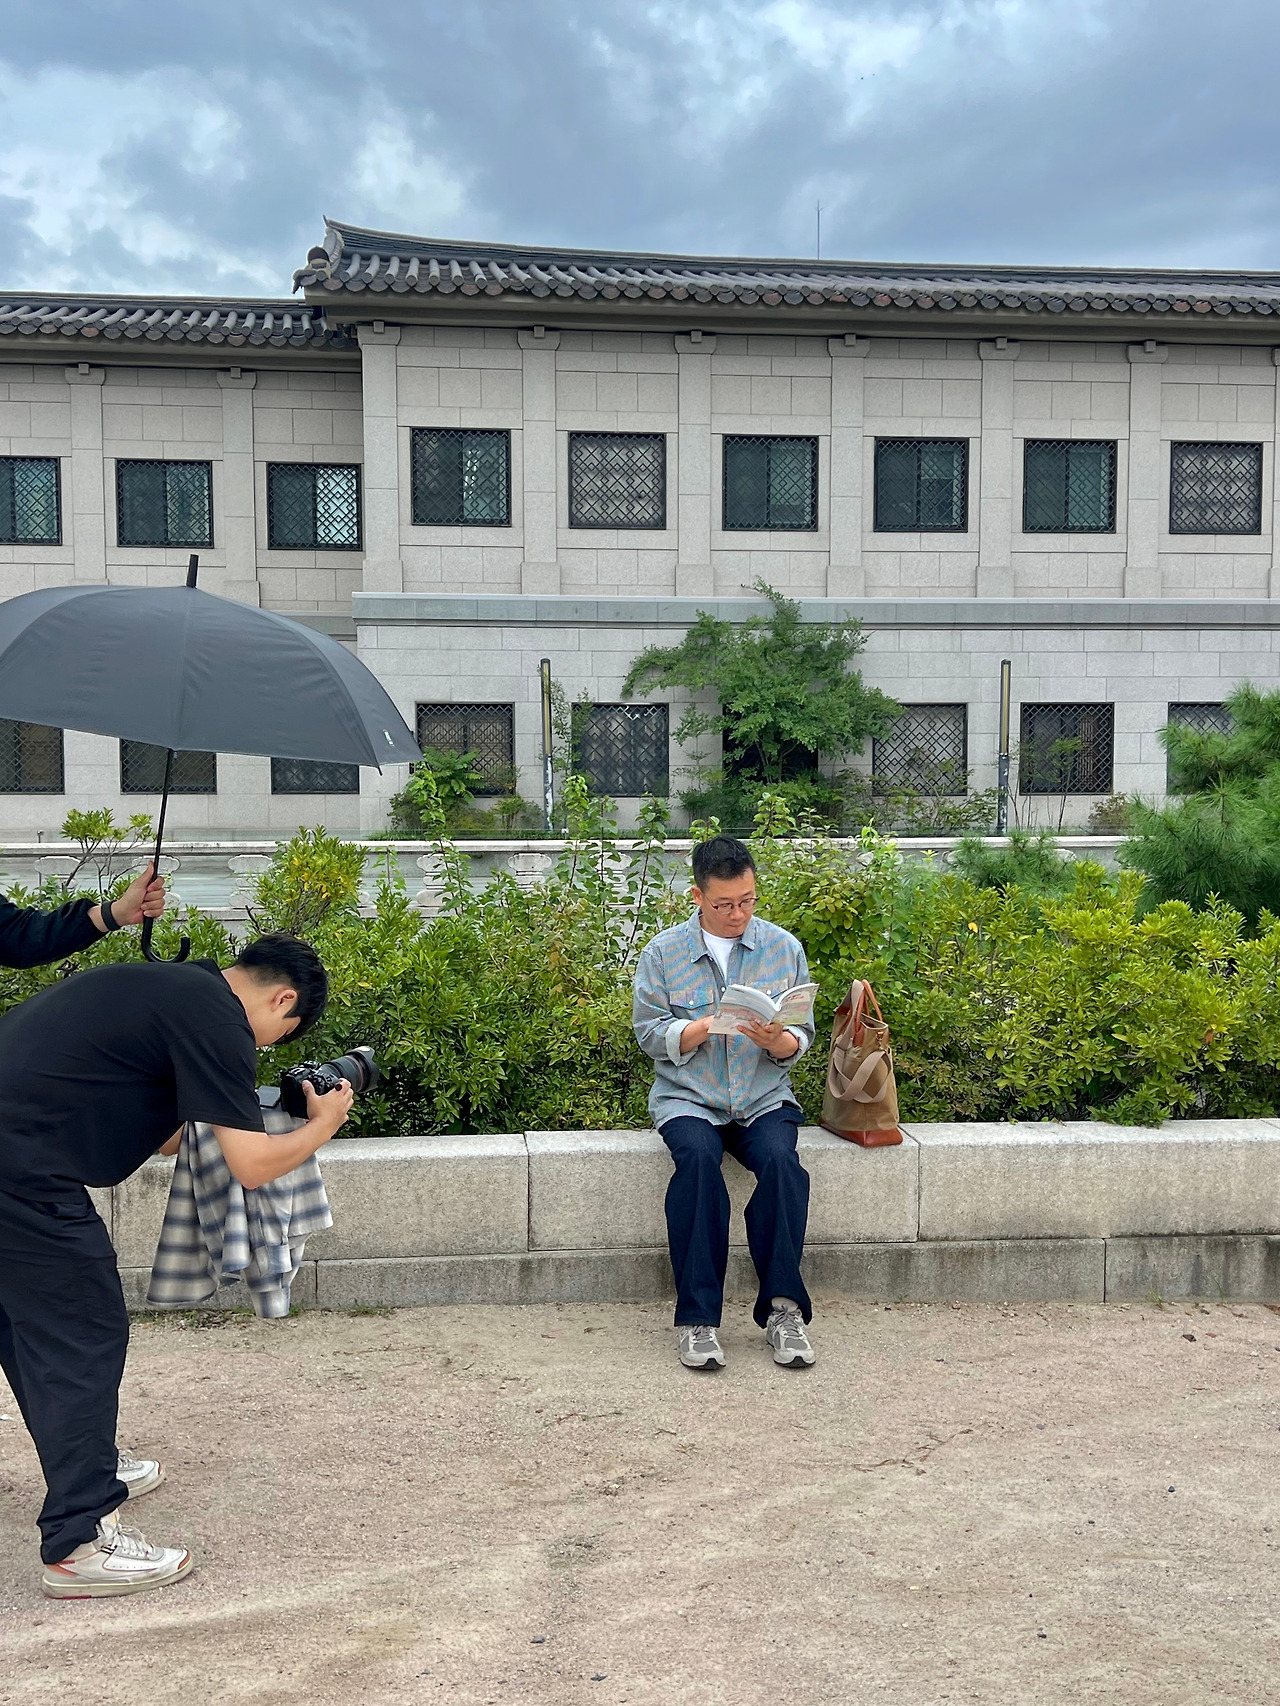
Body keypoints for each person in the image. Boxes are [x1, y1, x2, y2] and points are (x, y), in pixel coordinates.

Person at [0, 932, 354, 1600]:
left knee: (30, 1331)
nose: (265, 1049)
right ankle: (78, 1544)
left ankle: (92, 1467)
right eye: (278, 1035)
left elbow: (165, 1134)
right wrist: (324, 1122)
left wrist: (253, 1111)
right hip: (22, 1173)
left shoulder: (176, 989)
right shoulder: (218, 1019)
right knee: (83, 1332)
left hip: (14, 1156)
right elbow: (251, 1168)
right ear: (283, 998)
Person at [632, 835, 817, 1373]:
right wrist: (703, 1026)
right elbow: (649, 1034)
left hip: (762, 1096)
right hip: (689, 1097)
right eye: (724, 904)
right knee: (696, 1164)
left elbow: (798, 1038)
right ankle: (697, 1320)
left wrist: (775, 1041)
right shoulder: (663, 953)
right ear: (697, 896)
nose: (738, 914)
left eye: (748, 900)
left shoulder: (784, 948)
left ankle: (783, 1311)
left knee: (784, 1165)